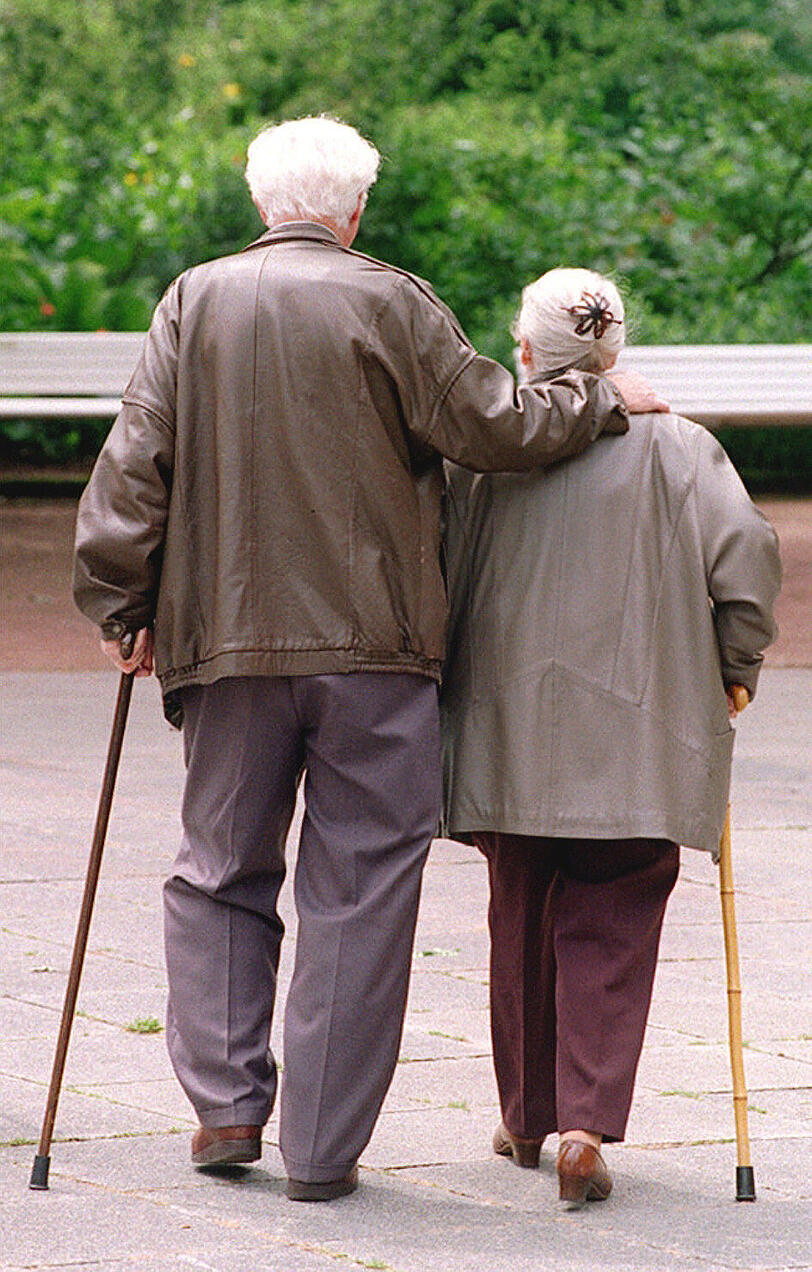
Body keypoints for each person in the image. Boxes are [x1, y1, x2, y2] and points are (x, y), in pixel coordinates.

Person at [73, 121, 667, 1202]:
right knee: (359, 892)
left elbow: (133, 461)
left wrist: (122, 601)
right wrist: (590, 396)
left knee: (217, 874)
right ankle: (321, 1151)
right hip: (376, 655)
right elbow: (493, 426)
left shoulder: (191, 302)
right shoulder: (392, 299)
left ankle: (225, 1107)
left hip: (226, 645)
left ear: (264, 202)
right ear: (353, 212)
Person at [441, 267, 781, 1208]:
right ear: (614, 351)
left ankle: (524, 1115)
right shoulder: (682, 447)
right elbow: (746, 554)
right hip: (638, 730)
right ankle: (585, 1125)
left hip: (507, 728)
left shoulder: (488, 455)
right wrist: (736, 661)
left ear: (524, 352)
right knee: (615, 917)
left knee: (522, 909)